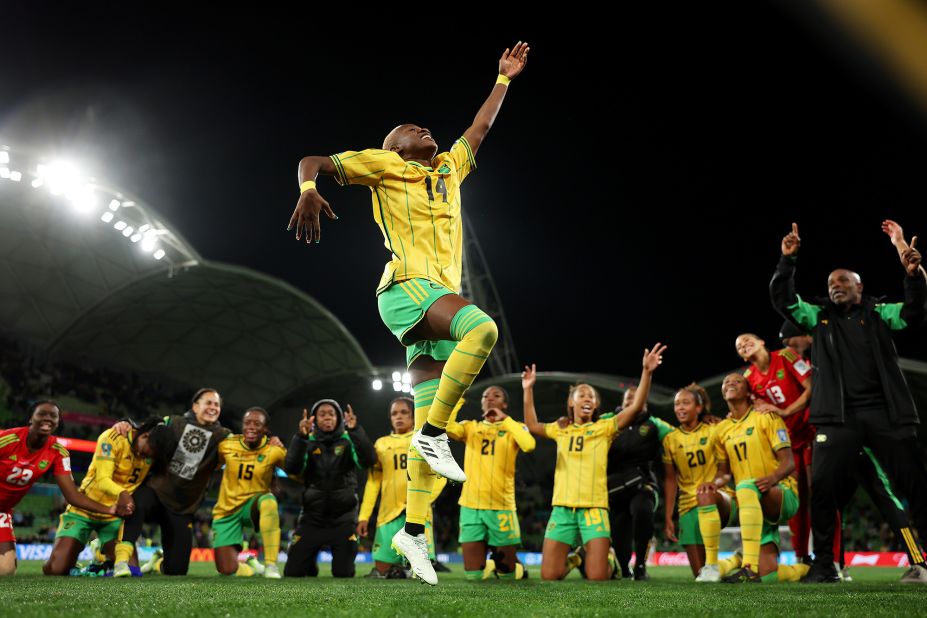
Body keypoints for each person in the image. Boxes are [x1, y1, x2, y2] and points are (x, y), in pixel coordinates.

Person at [286, 42, 529, 585]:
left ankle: (413, 536)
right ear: (394, 143)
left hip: (434, 302)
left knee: (427, 430)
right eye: (415, 128)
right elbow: (314, 161)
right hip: (407, 287)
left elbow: (480, 129)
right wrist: (307, 189)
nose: (427, 131)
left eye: (426, 128)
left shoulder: (448, 169)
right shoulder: (386, 164)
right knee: (483, 328)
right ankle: (434, 433)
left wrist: (504, 79)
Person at [771, 221, 927, 584]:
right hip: (837, 421)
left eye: (842, 282)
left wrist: (914, 275)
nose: (835, 287)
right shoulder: (818, 318)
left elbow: (914, 314)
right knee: (823, 489)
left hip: (884, 415)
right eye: (829, 284)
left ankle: (921, 559)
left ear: (860, 287)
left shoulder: (878, 313)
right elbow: (783, 300)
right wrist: (787, 261)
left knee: (914, 486)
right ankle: (825, 564)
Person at [522, 343, 666, 581]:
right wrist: (528, 389)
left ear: (596, 405)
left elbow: (637, 407)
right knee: (550, 575)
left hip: (594, 509)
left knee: (598, 576)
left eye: (591, 396)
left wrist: (647, 372)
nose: (587, 398)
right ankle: (578, 557)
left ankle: (607, 560)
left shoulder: (604, 428)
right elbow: (534, 425)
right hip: (562, 509)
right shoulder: (561, 429)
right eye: (582, 395)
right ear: (572, 403)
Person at [702, 373, 807, 584]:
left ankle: (748, 568)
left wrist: (772, 478)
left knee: (746, 486)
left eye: (737, 381)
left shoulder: (766, 417)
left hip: (780, 492)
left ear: (749, 392)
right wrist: (715, 484)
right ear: (723, 393)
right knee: (769, 575)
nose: (730, 383)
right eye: (726, 383)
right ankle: (805, 569)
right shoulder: (721, 429)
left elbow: (789, 463)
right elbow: (724, 473)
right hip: (751, 504)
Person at [116, 388, 232, 575]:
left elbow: (243, 449)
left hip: (182, 509)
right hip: (156, 493)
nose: (213, 407)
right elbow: (146, 428)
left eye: (217, 404)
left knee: (177, 570)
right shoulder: (174, 422)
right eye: (208, 402)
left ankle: (157, 564)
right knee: (134, 503)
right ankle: (121, 558)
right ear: (195, 406)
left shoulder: (223, 436)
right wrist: (125, 422)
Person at [43, 417, 178, 577]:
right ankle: (96, 550)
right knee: (56, 570)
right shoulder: (112, 438)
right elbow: (102, 479)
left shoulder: (154, 450)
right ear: (145, 435)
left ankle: (102, 557)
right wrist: (123, 493)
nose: (145, 457)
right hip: (84, 509)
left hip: (114, 516)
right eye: (147, 451)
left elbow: (166, 422)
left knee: (132, 572)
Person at [0, 401, 118, 576]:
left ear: (57, 422)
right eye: (42, 414)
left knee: (6, 570)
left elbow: (73, 496)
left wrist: (109, 509)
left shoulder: (58, 452)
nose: (47, 418)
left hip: (2, 511)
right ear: (30, 419)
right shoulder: (8, 439)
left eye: (53, 416)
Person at [735, 331, 821, 566]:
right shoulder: (748, 378)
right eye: (739, 346)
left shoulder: (786, 356)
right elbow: (741, 409)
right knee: (796, 500)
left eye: (747, 340)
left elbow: (812, 387)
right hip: (785, 444)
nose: (744, 344)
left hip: (812, 432)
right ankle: (803, 558)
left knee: (820, 494)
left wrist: (785, 411)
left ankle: (831, 559)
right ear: (742, 357)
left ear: (762, 341)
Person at [446, 385, 535, 581]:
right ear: (481, 403)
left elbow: (529, 445)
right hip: (470, 506)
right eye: (486, 396)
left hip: (501, 507)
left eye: (497, 396)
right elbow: (447, 425)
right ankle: (493, 562)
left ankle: (517, 568)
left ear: (504, 404)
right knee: (474, 577)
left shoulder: (514, 427)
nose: (490, 398)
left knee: (508, 576)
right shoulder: (470, 428)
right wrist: (458, 398)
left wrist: (505, 419)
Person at [283, 399, 376, 578]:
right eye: (322, 414)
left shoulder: (348, 440)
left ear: (339, 418)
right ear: (315, 419)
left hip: (343, 520)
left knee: (343, 573)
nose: (327, 418)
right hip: (312, 518)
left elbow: (368, 460)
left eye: (331, 414)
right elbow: (292, 469)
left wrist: (356, 430)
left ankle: (339, 558)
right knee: (293, 573)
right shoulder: (307, 441)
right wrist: (300, 438)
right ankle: (309, 564)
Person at [358, 397, 445, 579]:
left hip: (417, 513)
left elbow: (442, 474)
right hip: (388, 512)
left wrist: (424, 499)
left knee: (421, 574)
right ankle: (398, 570)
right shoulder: (381, 444)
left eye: (404, 412)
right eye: (394, 413)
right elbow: (373, 483)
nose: (398, 416)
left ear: (413, 416)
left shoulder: (423, 438)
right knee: (381, 572)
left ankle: (408, 569)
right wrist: (364, 516)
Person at [662, 385, 742, 581]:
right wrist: (668, 516)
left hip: (719, 497)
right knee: (701, 575)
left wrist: (714, 484)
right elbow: (671, 479)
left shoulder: (714, 429)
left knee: (705, 495)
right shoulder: (670, 440)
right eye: (677, 404)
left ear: (698, 408)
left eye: (686, 403)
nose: (680, 407)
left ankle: (729, 562)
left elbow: (726, 471)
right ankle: (735, 560)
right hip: (688, 505)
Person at [602, 386, 674, 580]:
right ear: (622, 403)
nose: (632, 402)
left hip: (643, 485)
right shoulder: (607, 421)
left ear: (644, 402)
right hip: (615, 490)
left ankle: (641, 565)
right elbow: (582, 426)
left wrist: (704, 420)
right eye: (628, 400)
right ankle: (624, 567)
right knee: (619, 536)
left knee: (642, 509)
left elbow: (682, 434)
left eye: (636, 398)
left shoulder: (655, 425)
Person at [212, 407, 287, 579]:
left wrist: (300, 440)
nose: (251, 427)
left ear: (265, 429)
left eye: (257, 424)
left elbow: (296, 470)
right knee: (226, 569)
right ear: (242, 426)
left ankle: (271, 566)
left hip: (253, 506)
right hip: (226, 512)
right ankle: (252, 565)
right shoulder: (226, 445)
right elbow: (210, 466)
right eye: (247, 423)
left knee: (269, 501)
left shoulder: (274, 450)